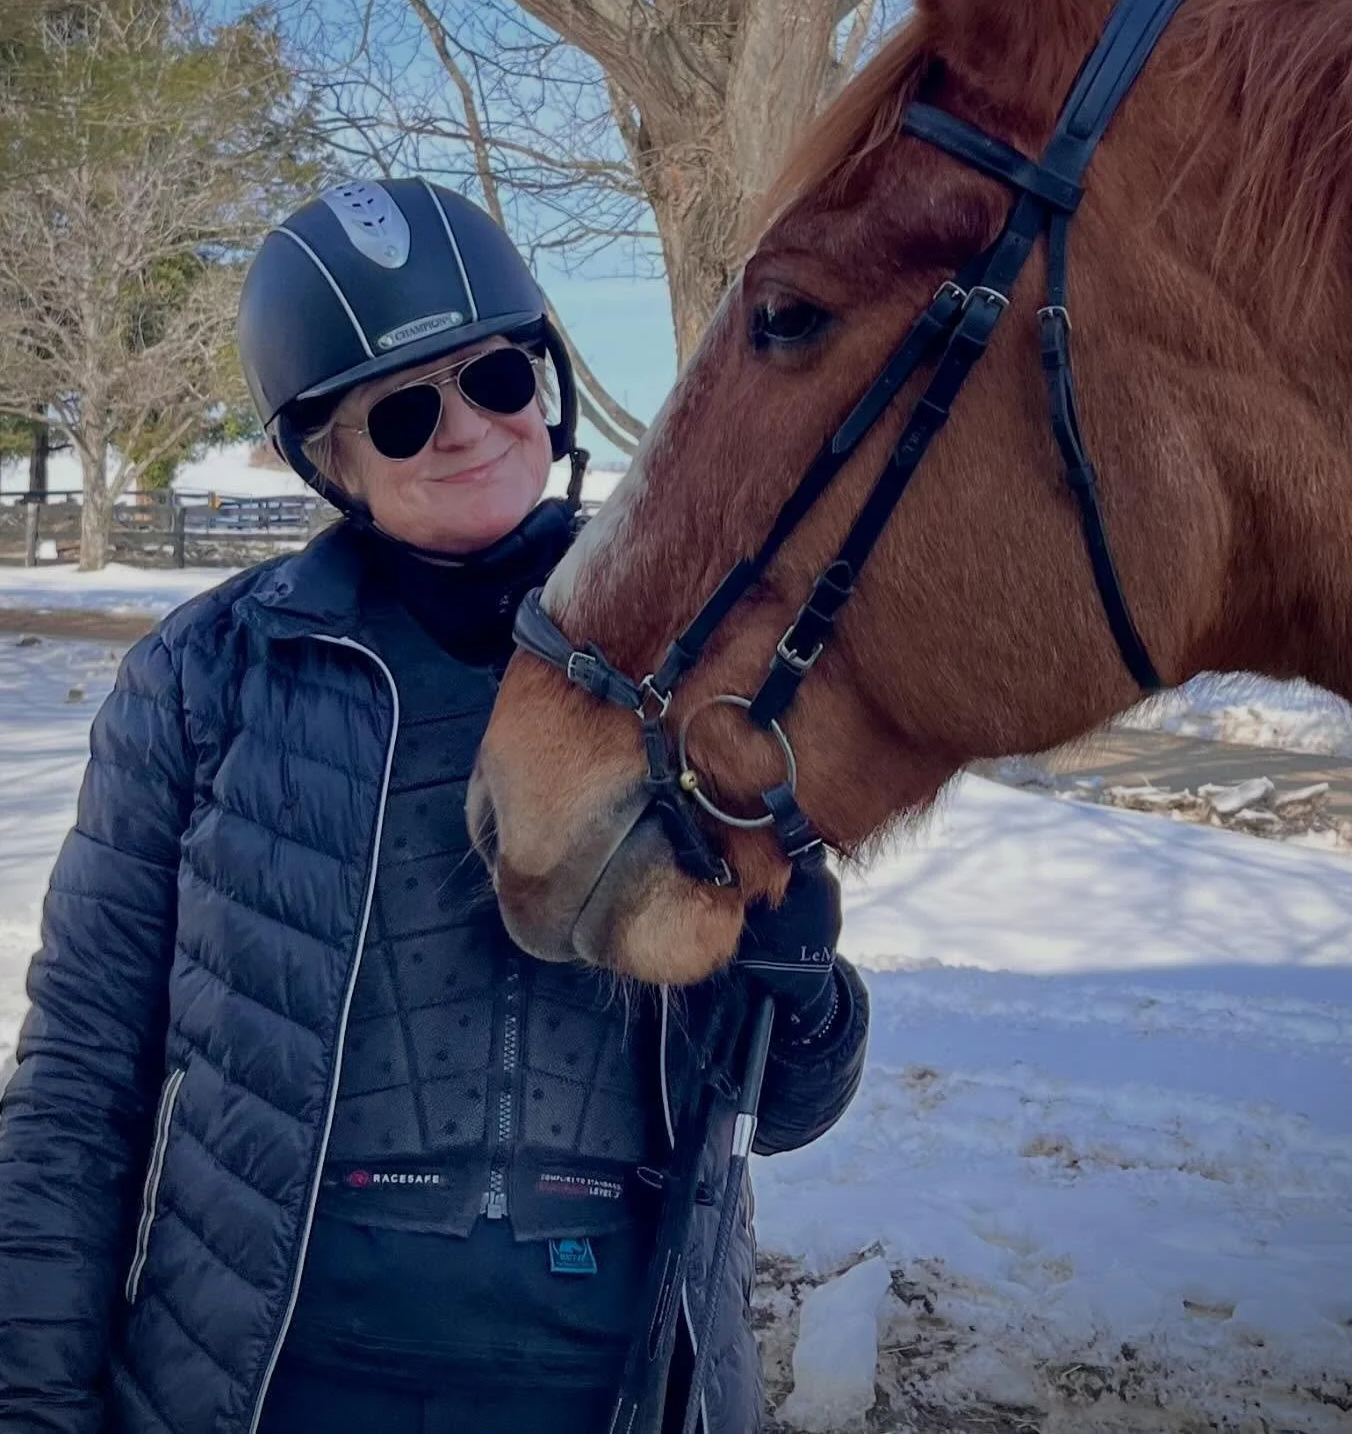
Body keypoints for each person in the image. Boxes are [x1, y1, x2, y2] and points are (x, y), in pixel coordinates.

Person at [0, 178, 869, 1434]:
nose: (465, 429)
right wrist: (30, 1396)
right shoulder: (208, 677)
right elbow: (82, 1076)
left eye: (496, 379)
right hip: (281, 1379)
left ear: (545, 387)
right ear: (330, 459)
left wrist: (805, 987)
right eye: (403, 413)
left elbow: (779, 1109)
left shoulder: (699, 667)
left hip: (607, 1379)